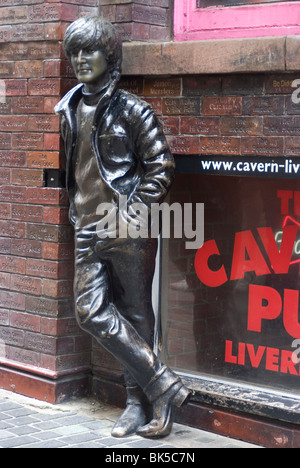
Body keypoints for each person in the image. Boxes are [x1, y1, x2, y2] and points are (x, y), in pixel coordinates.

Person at [55, 16, 191, 439]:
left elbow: (161, 166)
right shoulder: (69, 108)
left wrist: (133, 210)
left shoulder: (133, 110)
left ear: (110, 56)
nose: (80, 60)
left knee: (134, 313)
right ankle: (163, 384)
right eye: (74, 52)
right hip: (87, 227)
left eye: (89, 51)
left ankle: (138, 404)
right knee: (90, 311)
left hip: (126, 227)